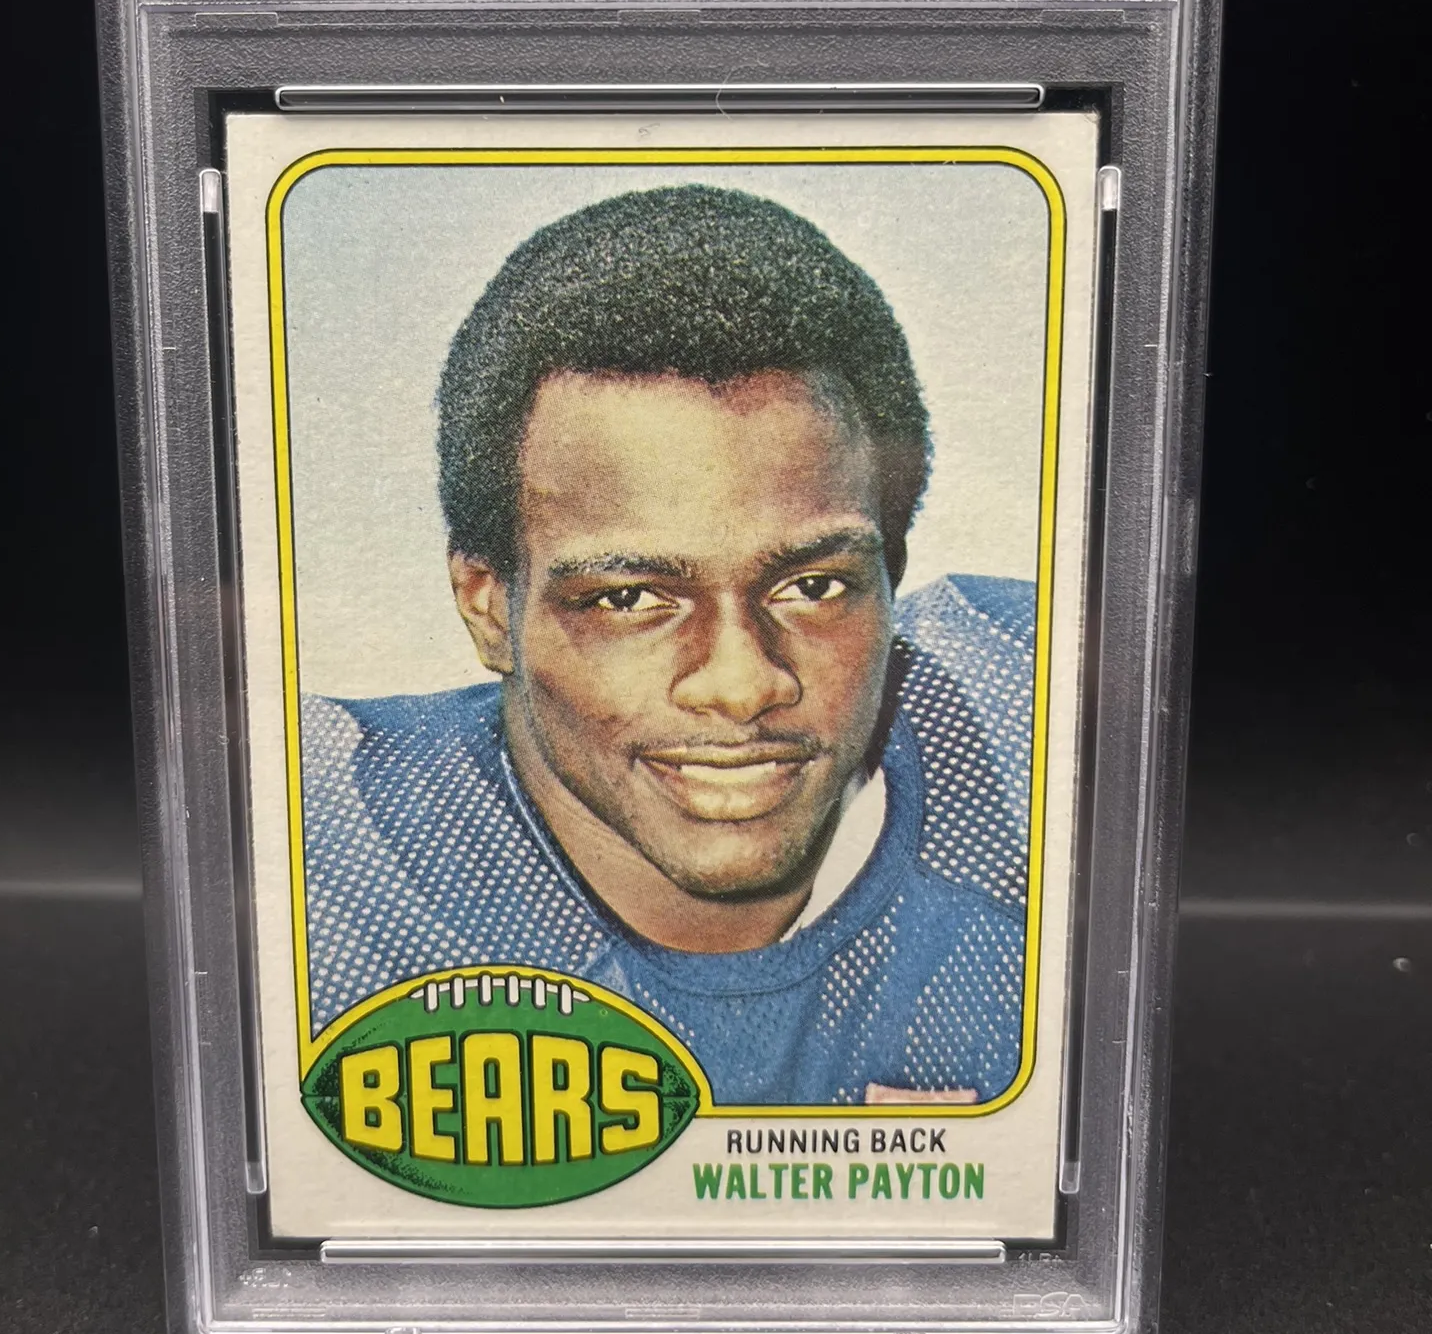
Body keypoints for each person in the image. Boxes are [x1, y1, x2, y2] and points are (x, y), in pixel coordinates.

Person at [301, 184, 1034, 1106]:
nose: (740, 683)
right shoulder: (311, 861)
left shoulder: (1031, 719)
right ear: (488, 608)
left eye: (812, 587)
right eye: (629, 599)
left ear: (891, 574)